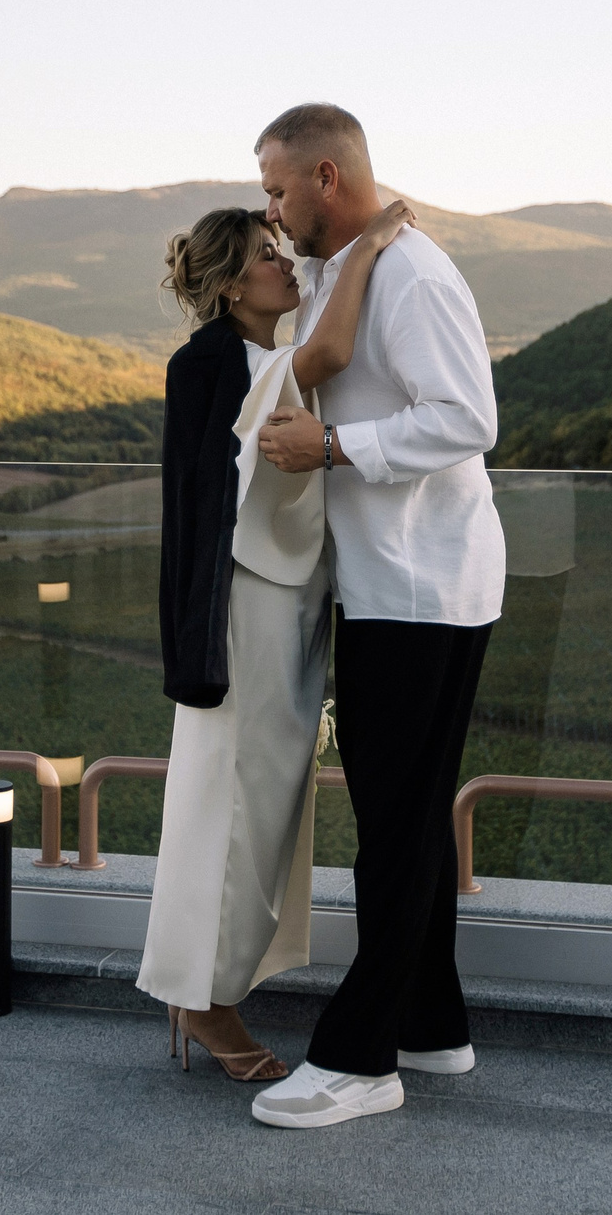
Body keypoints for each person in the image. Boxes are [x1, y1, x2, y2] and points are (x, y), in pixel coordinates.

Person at [244, 103, 506, 1131]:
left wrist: (335, 449)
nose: (270, 210)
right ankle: (433, 1025)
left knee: (393, 825)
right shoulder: (349, 266)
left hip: (421, 590)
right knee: (410, 812)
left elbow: (468, 417)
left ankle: (360, 1060)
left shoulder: (417, 277)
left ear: (325, 176)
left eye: (277, 188)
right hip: (389, 585)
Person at [140, 193, 415, 1080]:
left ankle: (208, 987)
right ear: (229, 286)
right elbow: (327, 354)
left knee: (265, 795)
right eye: (266, 255)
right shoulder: (213, 361)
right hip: (245, 610)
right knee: (233, 797)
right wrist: (367, 245)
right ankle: (203, 999)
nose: (283, 263)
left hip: (285, 602)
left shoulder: (255, 358)